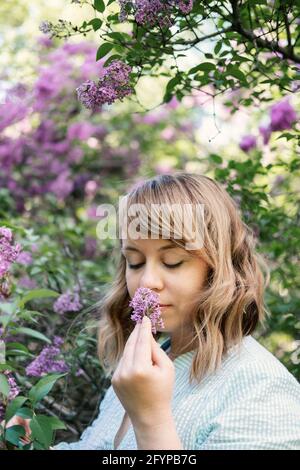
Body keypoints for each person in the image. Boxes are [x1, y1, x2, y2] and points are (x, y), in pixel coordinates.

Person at [9, 173, 300, 449]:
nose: (146, 282)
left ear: (218, 269)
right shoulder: (149, 365)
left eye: (172, 261)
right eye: (134, 262)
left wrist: (150, 420)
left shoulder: (262, 392)